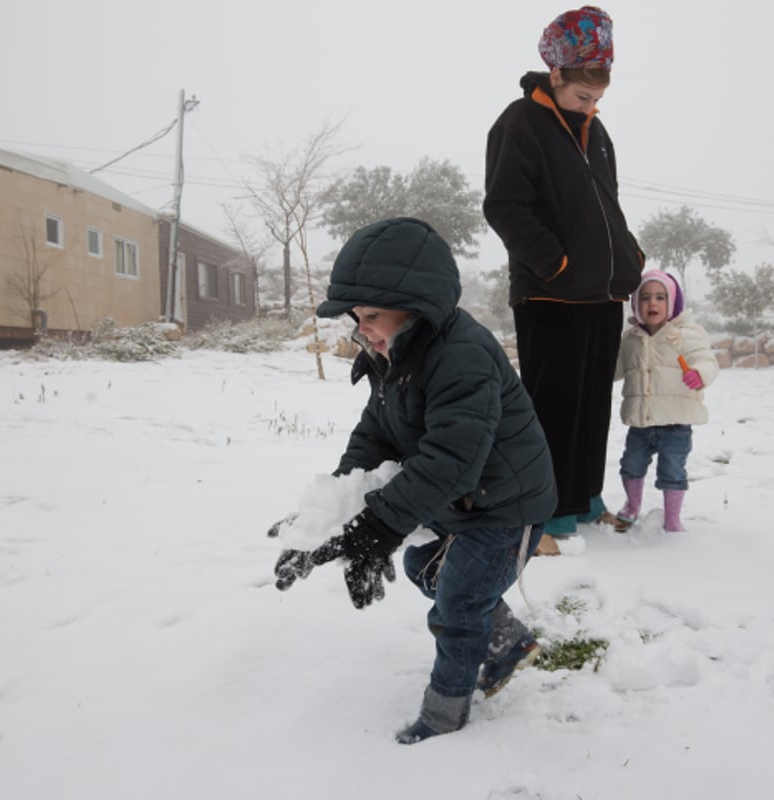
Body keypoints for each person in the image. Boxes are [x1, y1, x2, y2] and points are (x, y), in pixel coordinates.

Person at [277, 217, 556, 745]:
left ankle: (446, 714)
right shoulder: (393, 356)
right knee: (423, 566)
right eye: (358, 318)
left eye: (373, 315)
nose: (364, 330)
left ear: (419, 302)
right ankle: (511, 644)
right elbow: (375, 435)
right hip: (467, 502)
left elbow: (452, 459)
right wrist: (329, 513)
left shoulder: (463, 355)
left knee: (458, 606)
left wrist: (379, 524)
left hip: (507, 504)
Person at [484, 5, 644, 551]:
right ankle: (543, 511)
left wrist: (628, 257)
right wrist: (555, 263)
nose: (592, 106)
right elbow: (505, 206)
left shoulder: (597, 134)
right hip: (550, 293)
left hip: (602, 294)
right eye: (583, 97)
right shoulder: (520, 123)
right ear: (557, 75)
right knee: (550, 407)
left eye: (599, 99)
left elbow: (608, 207)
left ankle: (584, 498)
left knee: (593, 403)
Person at [613, 269, 719, 531]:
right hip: (641, 419)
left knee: (672, 470)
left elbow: (708, 361)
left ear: (672, 302)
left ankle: (672, 518)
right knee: (631, 464)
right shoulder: (631, 339)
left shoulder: (686, 334)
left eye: (660, 297)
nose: (653, 303)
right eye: (646, 298)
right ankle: (632, 505)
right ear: (636, 304)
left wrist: (700, 374)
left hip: (676, 422)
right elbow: (615, 367)